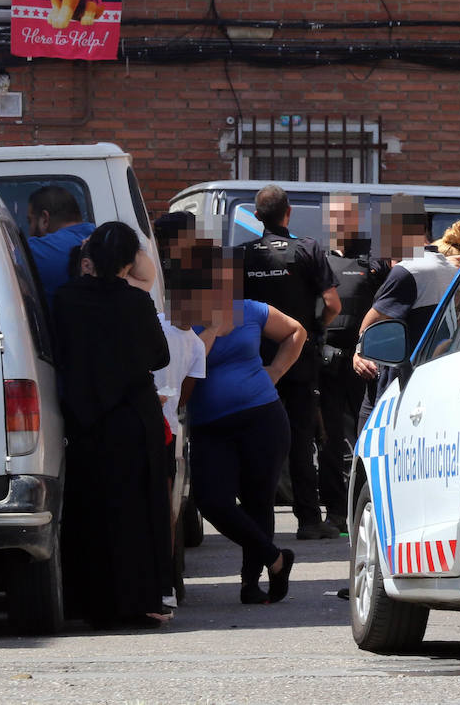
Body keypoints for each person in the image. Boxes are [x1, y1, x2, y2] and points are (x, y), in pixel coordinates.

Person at [53, 222, 173, 628]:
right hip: (132, 421)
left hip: (85, 421)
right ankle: (137, 601)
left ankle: (88, 601)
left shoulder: (66, 299)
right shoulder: (136, 304)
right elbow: (159, 357)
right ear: (126, 261)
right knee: (136, 514)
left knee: (89, 511)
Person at [189, 242, 307, 605]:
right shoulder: (184, 319)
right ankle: (276, 558)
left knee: (259, 500)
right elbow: (189, 367)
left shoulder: (252, 310)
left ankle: (251, 583)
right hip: (210, 424)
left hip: (262, 417)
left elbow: (296, 332)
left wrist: (275, 370)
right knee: (211, 500)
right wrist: (211, 328)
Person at [242, 184, 341, 540]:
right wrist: (314, 328)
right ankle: (309, 521)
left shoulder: (242, 255)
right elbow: (333, 303)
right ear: (289, 213)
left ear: (257, 218)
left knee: (255, 438)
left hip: (253, 361)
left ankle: (254, 518)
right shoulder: (308, 250)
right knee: (301, 439)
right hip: (298, 357)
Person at [318, 194, 390, 534]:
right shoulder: (318, 259)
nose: (340, 223)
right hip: (330, 363)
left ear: (357, 219)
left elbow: (388, 309)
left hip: (368, 361)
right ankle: (335, 513)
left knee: (368, 438)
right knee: (330, 440)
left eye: (346, 216)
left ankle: (370, 508)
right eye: (334, 216)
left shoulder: (375, 262)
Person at [353, 196, 457, 431]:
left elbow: (371, 324)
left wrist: (359, 353)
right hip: (430, 380)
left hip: (396, 388)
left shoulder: (408, 271)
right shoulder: (447, 267)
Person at [151, 213, 208, 608]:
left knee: (159, 509)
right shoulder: (197, 344)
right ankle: (169, 584)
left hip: (152, 424)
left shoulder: (151, 325)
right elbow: (187, 392)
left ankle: (164, 584)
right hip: (168, 429)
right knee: (168, 510)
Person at [27, 184, 96, 301]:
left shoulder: (36, 250)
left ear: (45, 218)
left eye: (30, 221)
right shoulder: (102, 238)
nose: (29, 230)